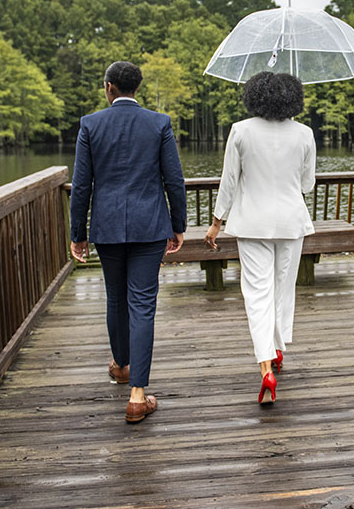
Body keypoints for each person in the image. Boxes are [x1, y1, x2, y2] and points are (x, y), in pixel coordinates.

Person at [69, 61, 186, 424]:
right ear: (137, 88)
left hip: (106, 226)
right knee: (142, 304)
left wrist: (78, 233)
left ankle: (121, 365)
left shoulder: (91, 124)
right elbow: (174, 180)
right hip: (150, 226)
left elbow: (82, 186)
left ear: (109, 88)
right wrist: (178, 225)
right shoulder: (159, 123)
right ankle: (137, 395)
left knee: (116, 297)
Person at [205, 72, 316, 405]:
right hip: (291, 223)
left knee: (257, 293)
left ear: (254, 97)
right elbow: (307, 184)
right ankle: (279, 350)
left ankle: (266, 365)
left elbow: (229, 182)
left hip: (252, 222)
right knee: (283, 289)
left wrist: (216, 223)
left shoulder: (241, 130)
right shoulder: (305, 133)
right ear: (292, 99)